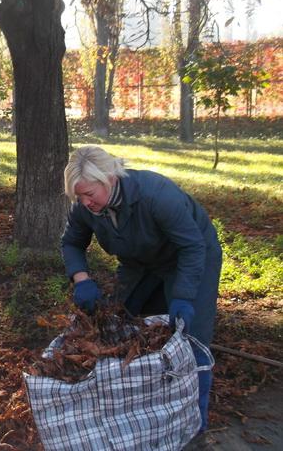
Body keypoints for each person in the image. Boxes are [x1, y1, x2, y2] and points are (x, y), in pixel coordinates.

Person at [60, 145, 222, 433]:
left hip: (190, 257)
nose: (85, 202)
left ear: (110, 178)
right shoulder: (86, 207)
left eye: (89, 194)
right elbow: (72, 242)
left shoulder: (156, 195)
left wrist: (183, 296)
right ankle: (144, 403)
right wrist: (82, 279)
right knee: (123, 319)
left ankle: (193, 424)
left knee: (190, 335)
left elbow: (192, 247)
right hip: (140, 261)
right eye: (78, 196)